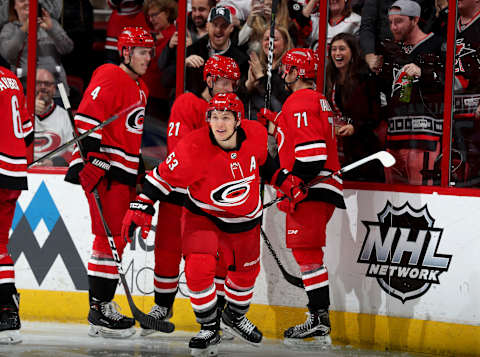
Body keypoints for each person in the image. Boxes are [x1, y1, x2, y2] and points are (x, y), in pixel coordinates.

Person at [121, 92, 306, 355]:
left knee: (245, 277)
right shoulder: (193, 146)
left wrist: (286, 181)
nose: (219, 124)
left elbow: (266, 165)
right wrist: (141, 205)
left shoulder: (255, 134)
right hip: (204, 216)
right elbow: (161, 177)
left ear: (238, 120)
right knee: (198, 268)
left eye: (226, 118)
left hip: (246, 221)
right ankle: (209, 327)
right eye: (214, 117)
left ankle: (235, 316)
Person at [139, 55, 241, 337]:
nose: (229, 89)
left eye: (232, 84)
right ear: (209, 80)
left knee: (211, 258)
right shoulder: (187, 103)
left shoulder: (233, 110)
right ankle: (162, 306)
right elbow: (179, 149)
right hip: (179, 193)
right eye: (223, 82)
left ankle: (215, 315)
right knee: (168, 251)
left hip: (212, 199)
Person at [64, 26, 154, 339]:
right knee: (108, 239)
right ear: (126, 52)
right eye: (142, 52)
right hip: (106, 172)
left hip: (123, 174)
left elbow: (132, 134)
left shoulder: (140, 88)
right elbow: (87, 117)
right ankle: (100, 308)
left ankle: (101, 306)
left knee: (114, 238)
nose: (148, 58)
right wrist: (93, 159)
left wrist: (139, 171)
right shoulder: (109, 73)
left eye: (150, 53)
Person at [258, 48, 345, 344]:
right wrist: (278, 121)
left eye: (288, 68)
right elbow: (303, 137)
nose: (284, 74)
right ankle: (318, 318)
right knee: (308, 256)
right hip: (322, 187)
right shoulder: (317, 99)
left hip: (311, 188)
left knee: (308, 257)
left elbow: (313, 153)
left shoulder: (300, 101)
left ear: (298, 72)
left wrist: (294, 183)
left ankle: (319, 319)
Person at [380, 0, 445, 185]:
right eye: (390, 22)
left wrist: (423, 73)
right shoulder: (390, 50)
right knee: (392, 200)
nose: (393, 27)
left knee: (422, 199)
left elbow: (450, 82)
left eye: (399, 21)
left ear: (415, 20)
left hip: (424, 137)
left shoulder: (437, 44)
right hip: (393, 137)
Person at [0, 65, 33, 345]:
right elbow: (28, 131)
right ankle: (8, 313)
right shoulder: (11, 79)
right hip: (14, 174)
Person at [325, 33, 384, 182]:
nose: (337, 53)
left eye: (342, 49)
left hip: (365, 151)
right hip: (340, 149)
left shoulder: (365, 77)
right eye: (334, 49)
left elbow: (376, 115)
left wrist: (355, 127)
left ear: (352, 52)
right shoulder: (329, 77)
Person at [0, 0, 74, 96]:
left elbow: (67, 48)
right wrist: (24, 29)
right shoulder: (9, 28)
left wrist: (51, 29)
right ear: (14, 5)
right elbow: (8, 54)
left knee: (64, 109)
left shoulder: (50, 23)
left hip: (56, 89)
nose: (27, 3)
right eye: (22, 0)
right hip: (25, 90)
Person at [244, 25, 292, 121]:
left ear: (286, 43)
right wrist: (249, 85)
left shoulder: (289, 71)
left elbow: (279, 102)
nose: (269, 42)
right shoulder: (258, 67)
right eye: (266, 39)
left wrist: (260, 77)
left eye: (275, 39)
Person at [142, 0, 177, 122]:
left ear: (167, 13)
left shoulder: (176, 36)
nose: (151, 20)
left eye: (154, 15)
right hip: (147, 95)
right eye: (149, 16)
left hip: (161, 98)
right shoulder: (155, 35)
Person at [33, 67, 73, 167]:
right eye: (38, 83)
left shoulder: (65, 117)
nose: (42, 87)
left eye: (47, 84)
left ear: (54, 89)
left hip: (54, 172)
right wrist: (28, 110)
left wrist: (54, 162)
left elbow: (73, 150)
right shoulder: (21, 112)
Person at [294, 0, 361, 50]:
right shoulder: (315, 19)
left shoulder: (356, 21)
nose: (333, 0)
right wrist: (313, 1)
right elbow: (300, 26)